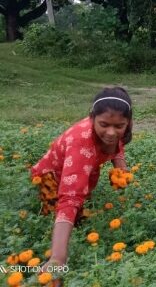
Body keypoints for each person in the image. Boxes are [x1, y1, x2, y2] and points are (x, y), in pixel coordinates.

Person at [30, 87, 133, 282]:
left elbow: (117, 148)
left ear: (128, 123)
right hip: (49, 179)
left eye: (119, 126)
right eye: (104, 124)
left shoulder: (115, 132)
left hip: (82, 171)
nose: (111, 132)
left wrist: (121, 171)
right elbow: (70, 197)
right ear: (92, 117)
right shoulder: (81, 143)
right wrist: (57, 259)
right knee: (71, 214)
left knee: (81, 217)